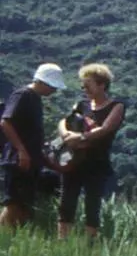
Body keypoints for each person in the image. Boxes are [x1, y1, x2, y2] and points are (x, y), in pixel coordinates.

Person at [56, 63, 127, 240]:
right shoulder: (81, 105)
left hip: (96, 163)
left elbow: (105, 129)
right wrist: (66, 135)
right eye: (83, 85)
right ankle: (62, 240)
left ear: (102, 84)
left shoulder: (116, 106)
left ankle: (90, 243)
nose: (84, 89)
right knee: (66, 201)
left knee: (92, 204)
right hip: (74, 161)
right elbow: (64, 121)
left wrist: (80, 138)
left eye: (88, 85)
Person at [1, 63, 66, 230]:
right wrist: (21, 151)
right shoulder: (23, 95)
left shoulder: (35, 99)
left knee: (24, 206)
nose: (54, 91)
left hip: (30, 161)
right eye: (53, 87)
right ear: (43, 83)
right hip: (18, 160)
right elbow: (6, 122)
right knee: (14, 204)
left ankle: (13, 237)